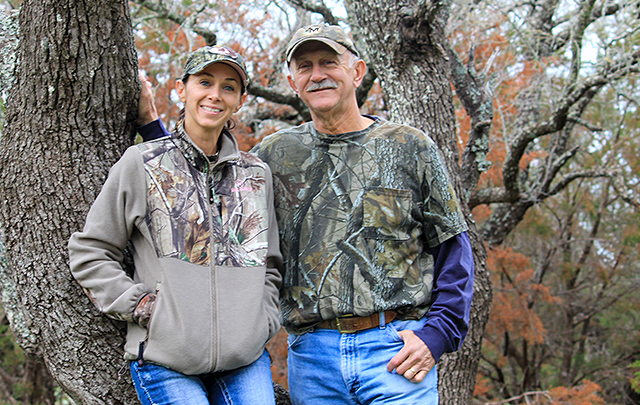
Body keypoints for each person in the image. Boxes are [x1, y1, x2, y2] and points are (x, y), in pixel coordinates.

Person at [138, 25, 474, 404]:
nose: (317, 75)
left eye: (329, 62)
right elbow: (203, 196)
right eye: (305, 66)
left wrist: (438, 335)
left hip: (395, 350)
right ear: (292, 80)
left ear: (358, 71)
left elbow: (453, 248)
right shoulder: (273, 156)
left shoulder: (409, 147)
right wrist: (152, 129)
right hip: (313, 358)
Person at [68, 45, 283, 405]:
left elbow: (271, 265)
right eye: (204, 82)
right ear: (182, 90)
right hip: (166, 358)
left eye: (228, 87)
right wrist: (143, 308)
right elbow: (90, 251)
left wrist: (262, 320)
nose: (215, 94)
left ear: (240, 100)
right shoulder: (143, 163)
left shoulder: (256, 175)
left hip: (244, 357)